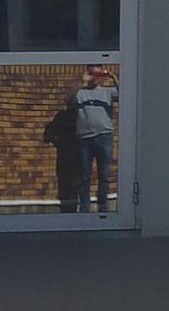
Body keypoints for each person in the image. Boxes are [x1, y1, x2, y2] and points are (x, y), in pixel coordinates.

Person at [45, 74, 118, 217]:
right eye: (92, 71)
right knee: (84, 176)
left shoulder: (108, 91)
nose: (94, 76)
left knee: (104, 174)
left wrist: (112, 76)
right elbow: (68, 99)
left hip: (104, 136)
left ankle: (103, 208)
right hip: (84, 139)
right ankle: (85, 209)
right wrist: (81, 81)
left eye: (97, 71)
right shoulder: (81, 92)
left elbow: (125, 93)